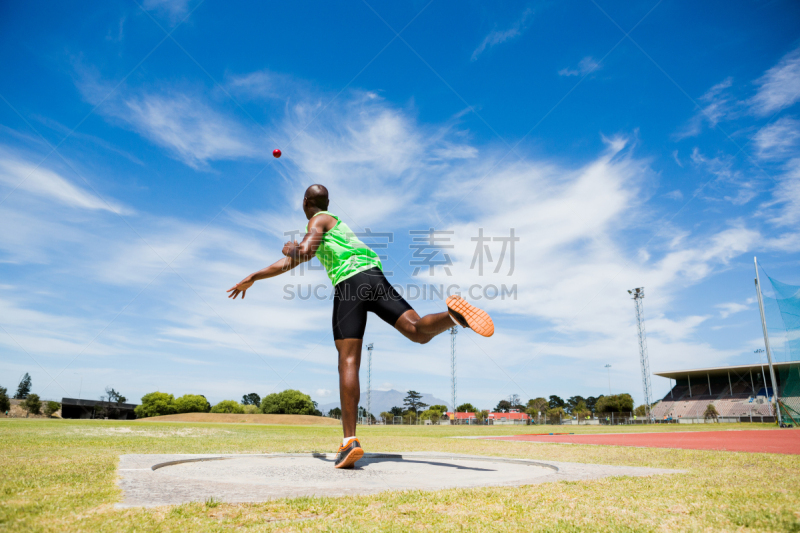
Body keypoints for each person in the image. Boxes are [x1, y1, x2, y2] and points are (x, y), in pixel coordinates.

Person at [227, 184, 494, 469]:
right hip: (374, 277)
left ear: (305, 201)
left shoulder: (317, 220)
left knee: (349, 361)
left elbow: (302, 251)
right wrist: (254, 276)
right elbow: (288, 263)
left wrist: (291, 246)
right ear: (327, 201)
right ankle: (453, 316)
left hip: (350, 284)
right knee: (417, 332)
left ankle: (349, 441)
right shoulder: (336, 227)